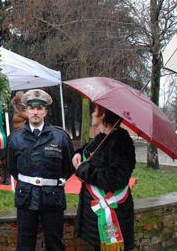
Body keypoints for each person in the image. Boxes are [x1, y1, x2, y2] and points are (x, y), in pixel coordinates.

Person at [7, 89, 75, 251]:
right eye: (31, 108)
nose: (35, 112)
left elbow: (69, 166)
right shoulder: (15, 138)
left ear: (45, 111)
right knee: (24, 243)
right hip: (26, 196)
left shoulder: (60, 137)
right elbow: (12, 167)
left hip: (52, 196)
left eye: (39, 109)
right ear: (26, 110)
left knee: (54, 242)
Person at [72, 104, 136, 251]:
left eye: (95, 111)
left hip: (113, 214)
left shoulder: (121, 141)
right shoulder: (102, 136)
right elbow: (88, 150)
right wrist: (78, 153)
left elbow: (116, 178)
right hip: (95, 214)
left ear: (103, 115)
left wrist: (83, 169)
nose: (93, 113)